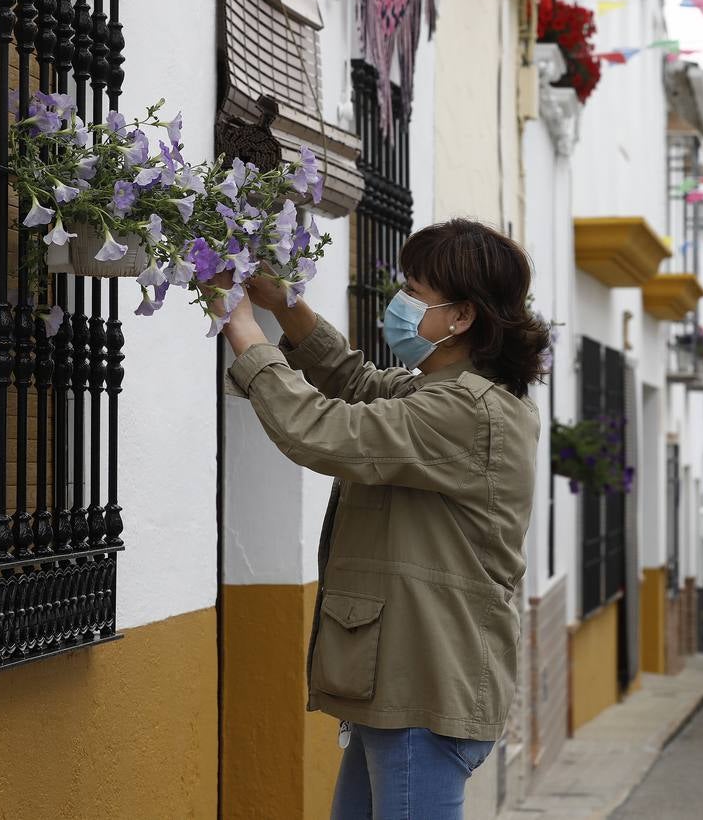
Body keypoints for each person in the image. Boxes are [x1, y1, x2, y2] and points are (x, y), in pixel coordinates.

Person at [209, 218, 549, 819]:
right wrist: (286, 306)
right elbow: (358, 383)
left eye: (414, 291)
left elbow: (322, 431)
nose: (400, 302)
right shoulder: (453, 391)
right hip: (404, 680)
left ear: (461, 315)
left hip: (424, 685)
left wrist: (239, 327)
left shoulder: (466, 410)